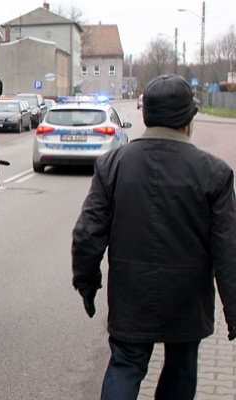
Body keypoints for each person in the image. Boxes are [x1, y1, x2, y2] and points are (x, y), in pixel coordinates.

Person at [72, 74, 236, 400]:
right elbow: (228, 250)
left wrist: (87, 282)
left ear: (145, 116)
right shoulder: (214, 173)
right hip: (187, 301)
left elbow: (87, 234)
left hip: (131, 295)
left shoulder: (113, 165)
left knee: (126, 365)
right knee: (181, 368)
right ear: (188, 121)